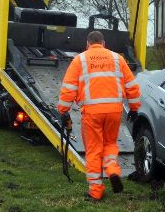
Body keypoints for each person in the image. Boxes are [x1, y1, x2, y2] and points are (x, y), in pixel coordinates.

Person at [57, 31, 141, 201]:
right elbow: (132, 85)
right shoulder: (117, 58)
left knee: (94, 149)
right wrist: (134, 108)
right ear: (104, 43)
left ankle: (96, 191)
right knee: (110, 143)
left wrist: (63, 110)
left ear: (87, 44)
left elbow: (69, 88)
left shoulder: (80, 60)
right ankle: (112, 170)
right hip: (114, 111)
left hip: (92, 112)